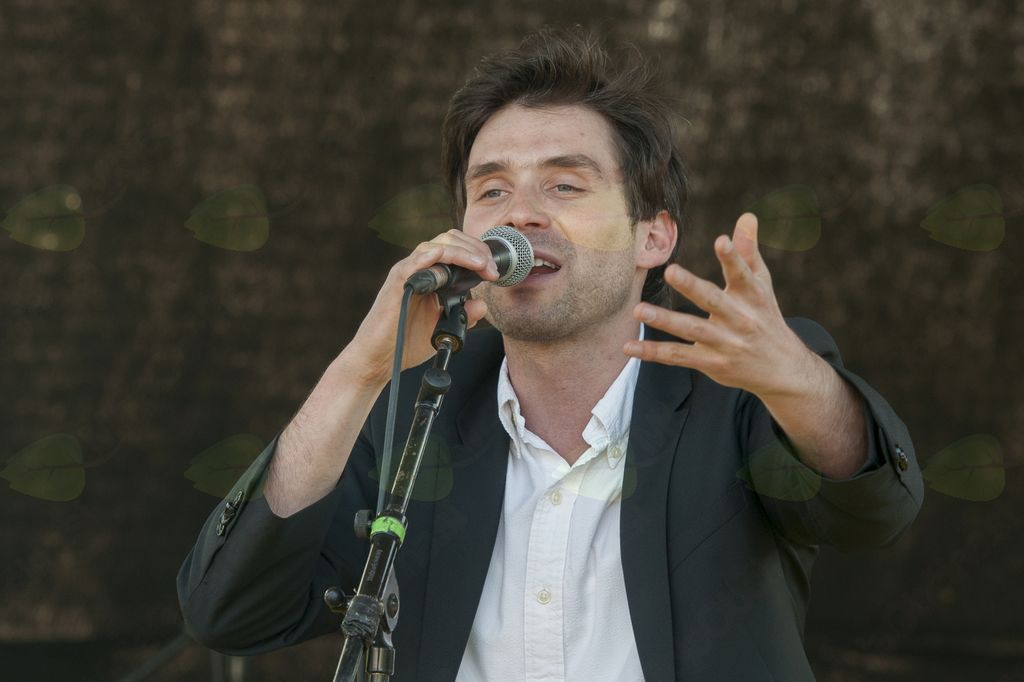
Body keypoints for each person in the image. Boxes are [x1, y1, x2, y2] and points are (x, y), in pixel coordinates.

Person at [178, 27, 924, 681]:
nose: (521, 214)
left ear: (653, 236)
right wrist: (359, 374)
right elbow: (231, 612)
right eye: (491, 191)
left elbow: (877, 512)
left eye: (565, 185)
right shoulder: (413, 412)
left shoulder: (735, 383)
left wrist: (798, 383)